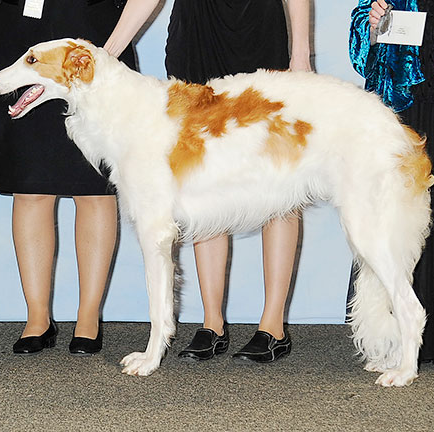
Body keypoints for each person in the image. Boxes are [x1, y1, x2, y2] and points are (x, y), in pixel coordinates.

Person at [105, 0, 311, 363]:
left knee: (281, 183)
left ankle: (273, 325)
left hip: (259, 32)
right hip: (195, 36)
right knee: (201, 184)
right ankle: (212, 323)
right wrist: (107, 53)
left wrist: (300, 55)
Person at [0, 0, 137, 355]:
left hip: (93, 42)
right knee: (30, 188)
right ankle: (37, 318)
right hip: (20, 43)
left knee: (95, 190)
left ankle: (88, 317)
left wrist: (107, 51)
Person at [349, 0, 434, 366]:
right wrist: (370, 23)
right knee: (389, 222)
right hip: (400, 105)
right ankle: (388, 339)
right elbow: (360, 34)